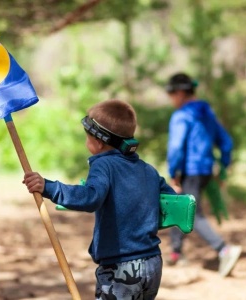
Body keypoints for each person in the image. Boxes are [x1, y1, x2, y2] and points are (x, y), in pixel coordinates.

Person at [23, 99, 176, 300]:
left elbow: (91, 198)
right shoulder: (148, 169)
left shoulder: (103, 165)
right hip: (153, 263)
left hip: (121, 268)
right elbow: (172, 203)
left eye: (86, 137)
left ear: (98, 141)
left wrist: (49, 187)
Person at [165, 72, 242, 277]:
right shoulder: (207, 112)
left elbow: (176, 148)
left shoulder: (181, 116)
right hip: (206, 170)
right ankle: (176, 252)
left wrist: (174, 172)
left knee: (190, 213)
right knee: (178, 205)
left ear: (180, 92)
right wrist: (223, 165)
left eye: (171, 93)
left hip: (190, 171)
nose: (170, 98)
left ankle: (224, 250)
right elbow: (226, 142)